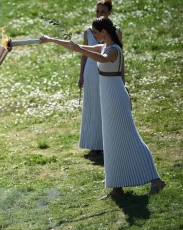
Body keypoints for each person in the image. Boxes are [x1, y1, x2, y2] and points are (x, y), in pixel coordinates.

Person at [39, 17, 166, 196]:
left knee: (129, 138)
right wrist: (52, 40)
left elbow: (103, 58)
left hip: (116, 97)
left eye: (96, 32)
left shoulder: (114, 50)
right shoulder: (104, 46)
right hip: (107, 98)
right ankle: (117, 187)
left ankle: (156, 180)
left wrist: (81, 49)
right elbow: (75, 47)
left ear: (104, 32)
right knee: (110, 141)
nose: (94, 35)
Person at [79, 0, 123, 157]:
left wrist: (122, 79)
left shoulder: (115, 32)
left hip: (106, 72)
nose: (99, 14)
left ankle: (107, 143)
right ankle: (93, 143)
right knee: (93, 107)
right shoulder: (88, 31)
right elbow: (84, 55)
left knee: (105, 106)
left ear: (110, 13)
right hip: (91, 72)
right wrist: (81, 75)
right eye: (97, 12)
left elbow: (119, 56)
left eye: (103, 12)